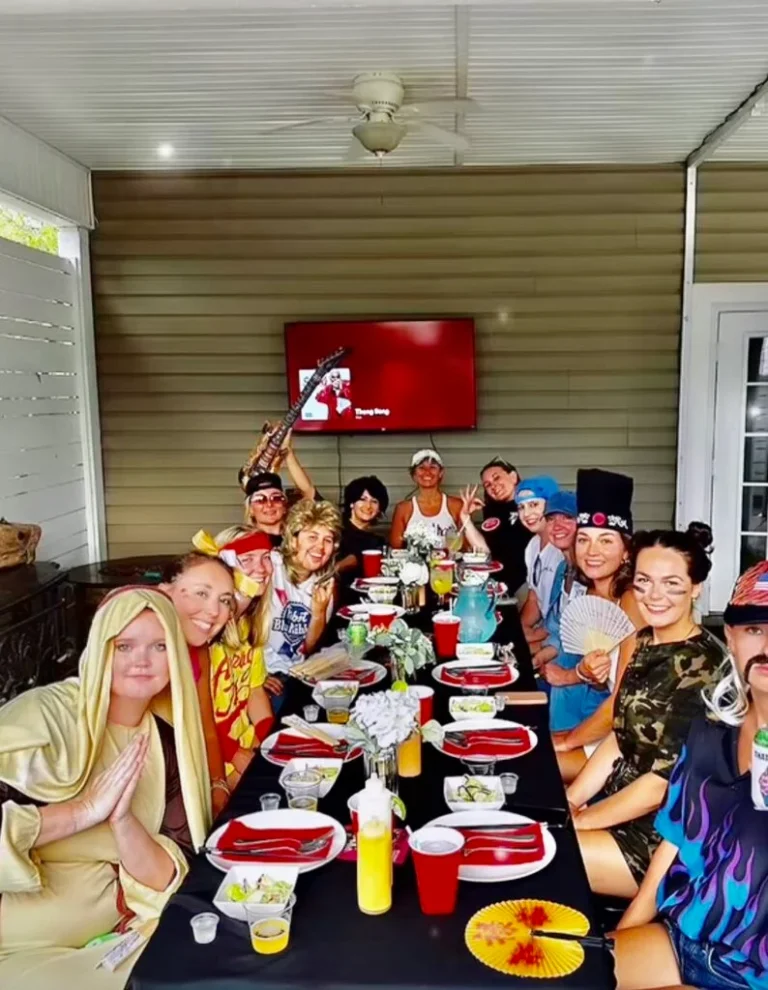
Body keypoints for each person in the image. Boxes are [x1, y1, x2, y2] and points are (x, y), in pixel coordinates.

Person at [0, 588, 210, 989]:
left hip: (118, 934)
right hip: (19, 943)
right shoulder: (46, 718)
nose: (141, 661)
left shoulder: (165, 741)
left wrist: (122, 821)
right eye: (125, 645)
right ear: (99, 649)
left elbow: (173, 869)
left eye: (160, 646)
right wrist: (82, 811)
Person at [613, 560, 768, 990]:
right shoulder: (711, 729)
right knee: (565, 974)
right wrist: (620, 939)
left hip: (748, 974)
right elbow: (676, 839)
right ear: (731, 638)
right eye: (755, 629)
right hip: (680, 939)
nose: (767, 645)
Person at [566, 523, 724, 900]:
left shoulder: (706, 666)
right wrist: (570, 802)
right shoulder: (642, 640)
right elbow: (621, 738)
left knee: (549, 856)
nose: (654, 596)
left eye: (671, 583)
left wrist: (582, 822)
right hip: (617, 807)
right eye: (643, 582)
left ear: (695, 587)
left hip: (663, 839)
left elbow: (660, 785)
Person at [552, 468, 644, 782]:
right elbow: (602, 682)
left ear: (627, 550)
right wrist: (588, 674)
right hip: (607, 728)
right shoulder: (591, 593)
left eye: (606, 541)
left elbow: (622, 702)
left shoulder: (632, 600)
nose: (592, 552)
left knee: (536, 767)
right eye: (584, 540)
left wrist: (567, 740)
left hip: (636, 740)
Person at [193, 527, 276, 790]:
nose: (261, 568)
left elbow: (254, 690)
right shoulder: (204, 633)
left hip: (245, 741)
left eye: (266, 557)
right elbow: (191, 718)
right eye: (247, 559)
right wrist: (235, 755)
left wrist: (270, 738)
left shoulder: (248, 624)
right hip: (211, 756)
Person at [159, 552, 236, 814]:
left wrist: (218, 785)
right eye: (201, 593)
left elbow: (207, 726)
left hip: (188, 777)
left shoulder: (199, 648)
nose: (214, 611)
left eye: (225, 601)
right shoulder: (140, 649)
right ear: (165, 591)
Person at [263, 499, 342, 697]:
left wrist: (319, 612)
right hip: (262, 674)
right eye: (312, 537)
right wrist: (256, 675)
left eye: (328, 540)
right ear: (293, 539)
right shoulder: (270, 566)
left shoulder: (323, 583)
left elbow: (305, 647)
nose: (320, 547)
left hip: (295, 673)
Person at [241, 430, 317, 548]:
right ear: (250, 509)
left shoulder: (296, 538)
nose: (269, 504)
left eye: (276, 498)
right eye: (260, 500)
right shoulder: (243, 543)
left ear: (285, 505)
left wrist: (287, 453)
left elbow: (310, 494)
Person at [517, 476, 562, 650]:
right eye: (521, 507)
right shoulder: (533, 545)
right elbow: (534, 598)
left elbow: (566, 613)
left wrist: (535, 635)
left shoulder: (562, 549)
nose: (526, 514)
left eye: (534, 505)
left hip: (561, 636)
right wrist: (521, 629)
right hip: (543, 629)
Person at [477, 456, 533, 595]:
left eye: (497, 478)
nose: (493, 486)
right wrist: (464, 516)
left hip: (527, 583)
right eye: (487, 485)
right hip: (497, 585)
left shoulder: (530, 505)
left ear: (513, 477)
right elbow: (485, 550)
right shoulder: (491, 510)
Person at [389, 449, 463, 549]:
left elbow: (466, 547)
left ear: (441, 473)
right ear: (414, 475)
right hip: (414, 564)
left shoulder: (456, 505)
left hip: (448, 563)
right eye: (421, 468)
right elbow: (396, 548)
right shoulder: (403, 508)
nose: (427, 472)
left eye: (433, 467)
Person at [336, 476, 389, 597]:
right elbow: (309, 491)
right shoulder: (335, 525)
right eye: (362, 499)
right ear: (351, 503)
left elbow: (353, 559)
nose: (368, 506)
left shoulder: (376, 542)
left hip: (356, 598)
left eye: (374, 501)